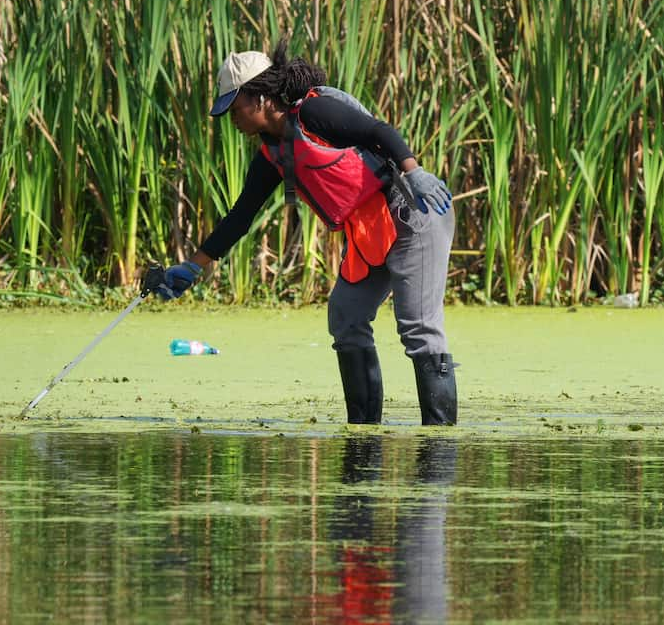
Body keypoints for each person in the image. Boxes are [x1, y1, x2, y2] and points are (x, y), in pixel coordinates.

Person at [158, 40, 458, 425]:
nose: (231, 119)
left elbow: (377, 130)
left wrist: (414, 172)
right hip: (370, 232)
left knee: (418, 327)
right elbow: (241, 215)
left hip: (414, 214)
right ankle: (363, 440)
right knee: (346, 316)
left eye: (234, 107)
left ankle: (439, 447)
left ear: (260, 98)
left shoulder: (315, 111)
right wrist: (194, 267)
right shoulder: (273, 152)